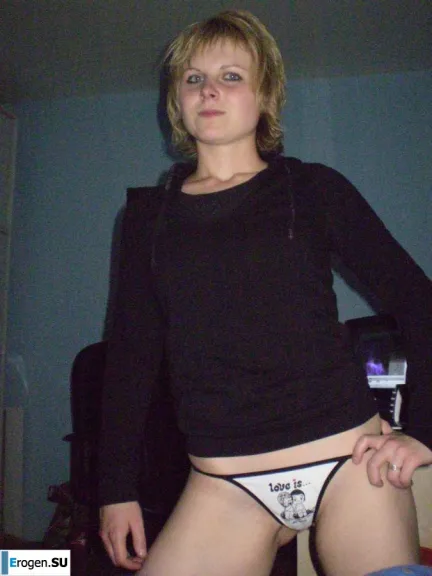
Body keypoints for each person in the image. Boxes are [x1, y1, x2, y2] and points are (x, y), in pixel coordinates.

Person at [98, 9, 432, 576]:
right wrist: (115, 488)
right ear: (177, 99)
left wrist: (424, 429)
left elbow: (418, 302)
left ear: (266, 96)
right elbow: (131, 357)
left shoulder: (313, 188)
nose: (208, 89)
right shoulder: (146, 220)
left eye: (231, 76)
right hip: (224, 483)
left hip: (347, 461)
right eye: (193, 77)